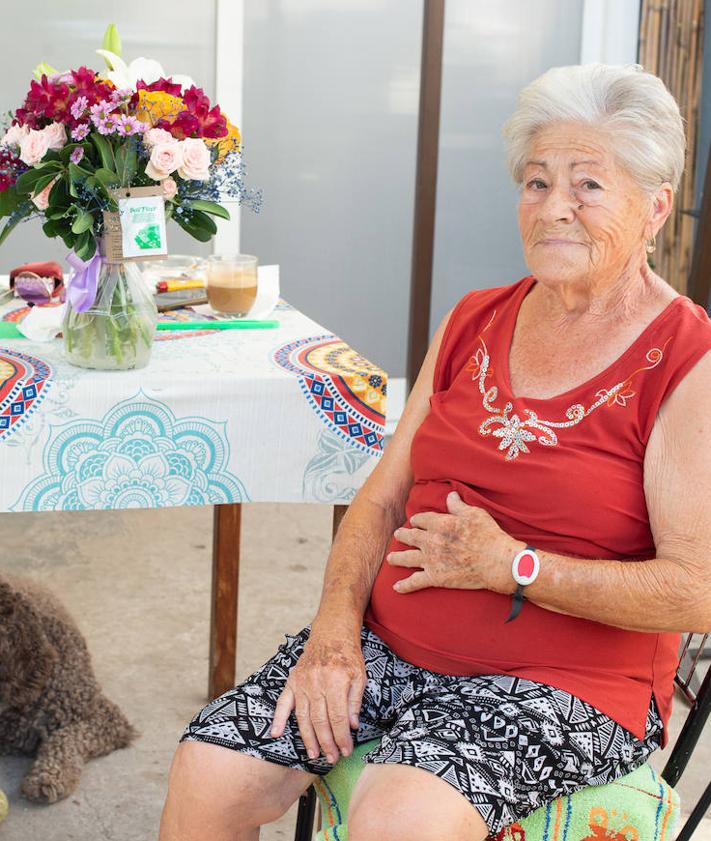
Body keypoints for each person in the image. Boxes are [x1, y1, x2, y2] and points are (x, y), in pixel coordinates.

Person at [159, 63, 711, 841]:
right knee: (208, 768)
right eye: (536, 181)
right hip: (391, 647)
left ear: (654, 207)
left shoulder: (686, 359)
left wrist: (515, 566)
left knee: (398, 816)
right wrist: (333, 633)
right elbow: (381, 498)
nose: (554, 208)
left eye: (587, 185)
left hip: (567, 685)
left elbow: (696, 590)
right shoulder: (472, 319)